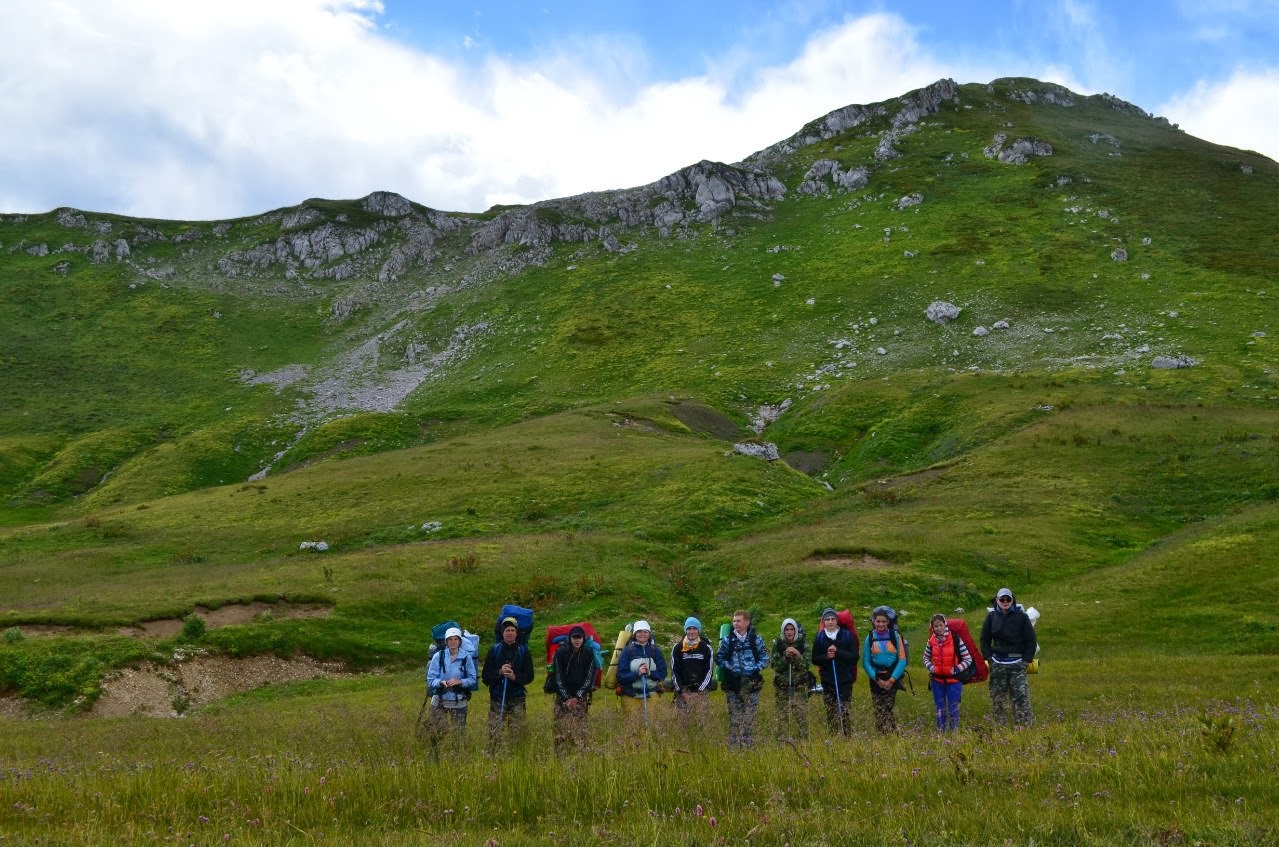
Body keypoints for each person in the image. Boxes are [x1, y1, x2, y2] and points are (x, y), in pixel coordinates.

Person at [980, 587, 1037, 727]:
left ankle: (1024, 728)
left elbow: (1031, 640)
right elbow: (984, 639)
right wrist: (988, 657)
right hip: (997, 663)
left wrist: (1026, 659)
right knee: (998, 697)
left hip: (1017, 663)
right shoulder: (991, 617)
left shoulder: (1022, 617)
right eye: (1002, 599)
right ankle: (1001, 728)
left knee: (1021, 696)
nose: (1005, 602)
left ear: (1012, 600)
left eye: (1008, 599)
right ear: (997, 600)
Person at [714, 610, 769, 750]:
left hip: (752, 683)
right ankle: (733, 748)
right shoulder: (728, 640)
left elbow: (765, 659)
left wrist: (754, 668)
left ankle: (748, 746)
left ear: (747, 622)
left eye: (738, 621)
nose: (735, 624)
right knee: (734, 717)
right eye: (734, 621)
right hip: (733, 683)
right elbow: (719, 658)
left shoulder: (756, 640)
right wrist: (730, 667)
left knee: (749, 717)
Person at [481, 616, 535, 752]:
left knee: (517, 732)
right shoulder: (494, 650)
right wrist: (499, 672)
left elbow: (530, 676)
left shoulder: (523, 651)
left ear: (516, 633)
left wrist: (514, 676)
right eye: (507, 630)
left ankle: (516, 755)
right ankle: (493, 755)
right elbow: (485, 677)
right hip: (497, 698)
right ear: (502, 633)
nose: (510, 633)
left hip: (517, 698)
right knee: (494, 731)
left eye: (512, 630)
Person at [422, 627, 477, 756]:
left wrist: (460, 682)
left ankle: (457, 758)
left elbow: (472, 679)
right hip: (440, 700)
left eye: (456, 639)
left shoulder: (466, 658)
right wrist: (440, 683)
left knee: (458, 733)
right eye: (450, 639)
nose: (453, 642)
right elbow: (430, 679)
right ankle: (434, 757)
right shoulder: (438, 656)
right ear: (446, 642)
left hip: (459, 701)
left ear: (460, 641)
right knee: (438, 731)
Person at [923, 614, 972, 732]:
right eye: (936, 626)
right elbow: (925, 658)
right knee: (940, 708)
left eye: (941, 625)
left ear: (945, 625)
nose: (939, 628)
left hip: (954, 681)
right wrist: (931, 668)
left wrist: (956, 669)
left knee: (953, 708)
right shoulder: (931, 641)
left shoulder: (955, 639)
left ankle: (954, 733)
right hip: (937, 681)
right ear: (932, 627)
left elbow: (968, 659)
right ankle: (941, 733)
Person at [811, 608, 857, 736]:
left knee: (845, 711)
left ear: (837, 620)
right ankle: (833, 737)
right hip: (827, 680)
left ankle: (847, 737)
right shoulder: (819, 637)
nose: (830, 622)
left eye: (832, 619)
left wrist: (838, 652)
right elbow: (814, 659)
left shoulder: (848, 635)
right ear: (823, 621)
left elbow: (854, 658)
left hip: (845, 680)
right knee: (830, 712)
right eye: (827, 619)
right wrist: (827, 657)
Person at [551, 625, 595, 753]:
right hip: (562, 696)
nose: (577, 640)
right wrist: (567, 698)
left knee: (581, 728)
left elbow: (589, 677)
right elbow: (558, 677)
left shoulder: (588, 653)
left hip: (580, 697)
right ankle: (560, 754)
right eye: (575, 637)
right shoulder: (560, 653)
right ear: (570, 638)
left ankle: (581, 753)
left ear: (583, 639)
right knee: (560, 727)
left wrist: (578, 697)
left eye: (580, 637)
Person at [863, 606, 907, 734]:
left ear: (888, 622)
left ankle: (891, 735)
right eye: (878, 621)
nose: (880, 624)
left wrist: (892, 680)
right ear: (874, 622)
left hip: (891, 676)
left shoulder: (895, 636)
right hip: (876, 677)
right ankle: (883, 736)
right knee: (878, 709)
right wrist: (876, 679)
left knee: (887, 708)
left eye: (883, 622)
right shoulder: (869, 638)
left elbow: (902, 659)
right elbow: (866, 662)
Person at [669, 616, 714, 726]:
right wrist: (682, 691)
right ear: (685, 630)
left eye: (694, 629)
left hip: (701, 692)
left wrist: (699, 691)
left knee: (701, 724)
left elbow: (709, 671)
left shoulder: (706, 647)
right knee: (682, 724)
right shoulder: (677, 648)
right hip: (682, 691)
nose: (691, 631)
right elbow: (675, 671)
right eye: (689, 629)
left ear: (699, 630)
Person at [771, 617, 811, 742]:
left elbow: (806, 667)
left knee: (801, 717)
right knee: (782, 717)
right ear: (783, 630)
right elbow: (775, 667)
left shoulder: (804, 644)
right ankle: (782, 743)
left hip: (799, 687)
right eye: (786, 629)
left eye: (792, 629)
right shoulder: (777, 644)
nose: (789, 632)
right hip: (782, 687)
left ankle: (803, 744)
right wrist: (785, 657)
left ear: (796, 630)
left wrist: (798, 655)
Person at [616, 620, 668, 710]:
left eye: (645, 631)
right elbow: (621, 676)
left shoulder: (656, 651)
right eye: (639, 631)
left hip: (652, 696)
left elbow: (662, 673)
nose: (642, 634)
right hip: (630, 696)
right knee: (633, 724)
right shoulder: (627, 651)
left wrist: (649, 673)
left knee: (653, 724)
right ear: (635, 634)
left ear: (649, 634)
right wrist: (638, 673)